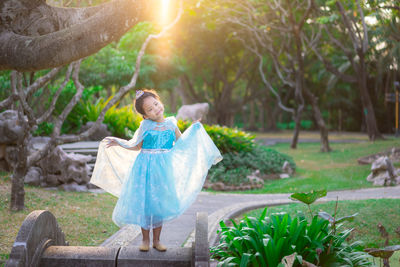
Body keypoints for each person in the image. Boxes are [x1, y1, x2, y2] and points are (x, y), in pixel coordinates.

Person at [90, 89, 222, 252]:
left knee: (158, 206)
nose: (155, 109)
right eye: (150, 109)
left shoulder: (171, 124)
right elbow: (136, 145)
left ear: (160, 102)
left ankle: (157, 240)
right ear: (145, 116)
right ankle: (145, 240)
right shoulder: (146, 126)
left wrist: (193, 130)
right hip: (145, 170)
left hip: (163, 171)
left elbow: (182, 144)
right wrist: (119, 143)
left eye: (156, 104)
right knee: (147, 206)